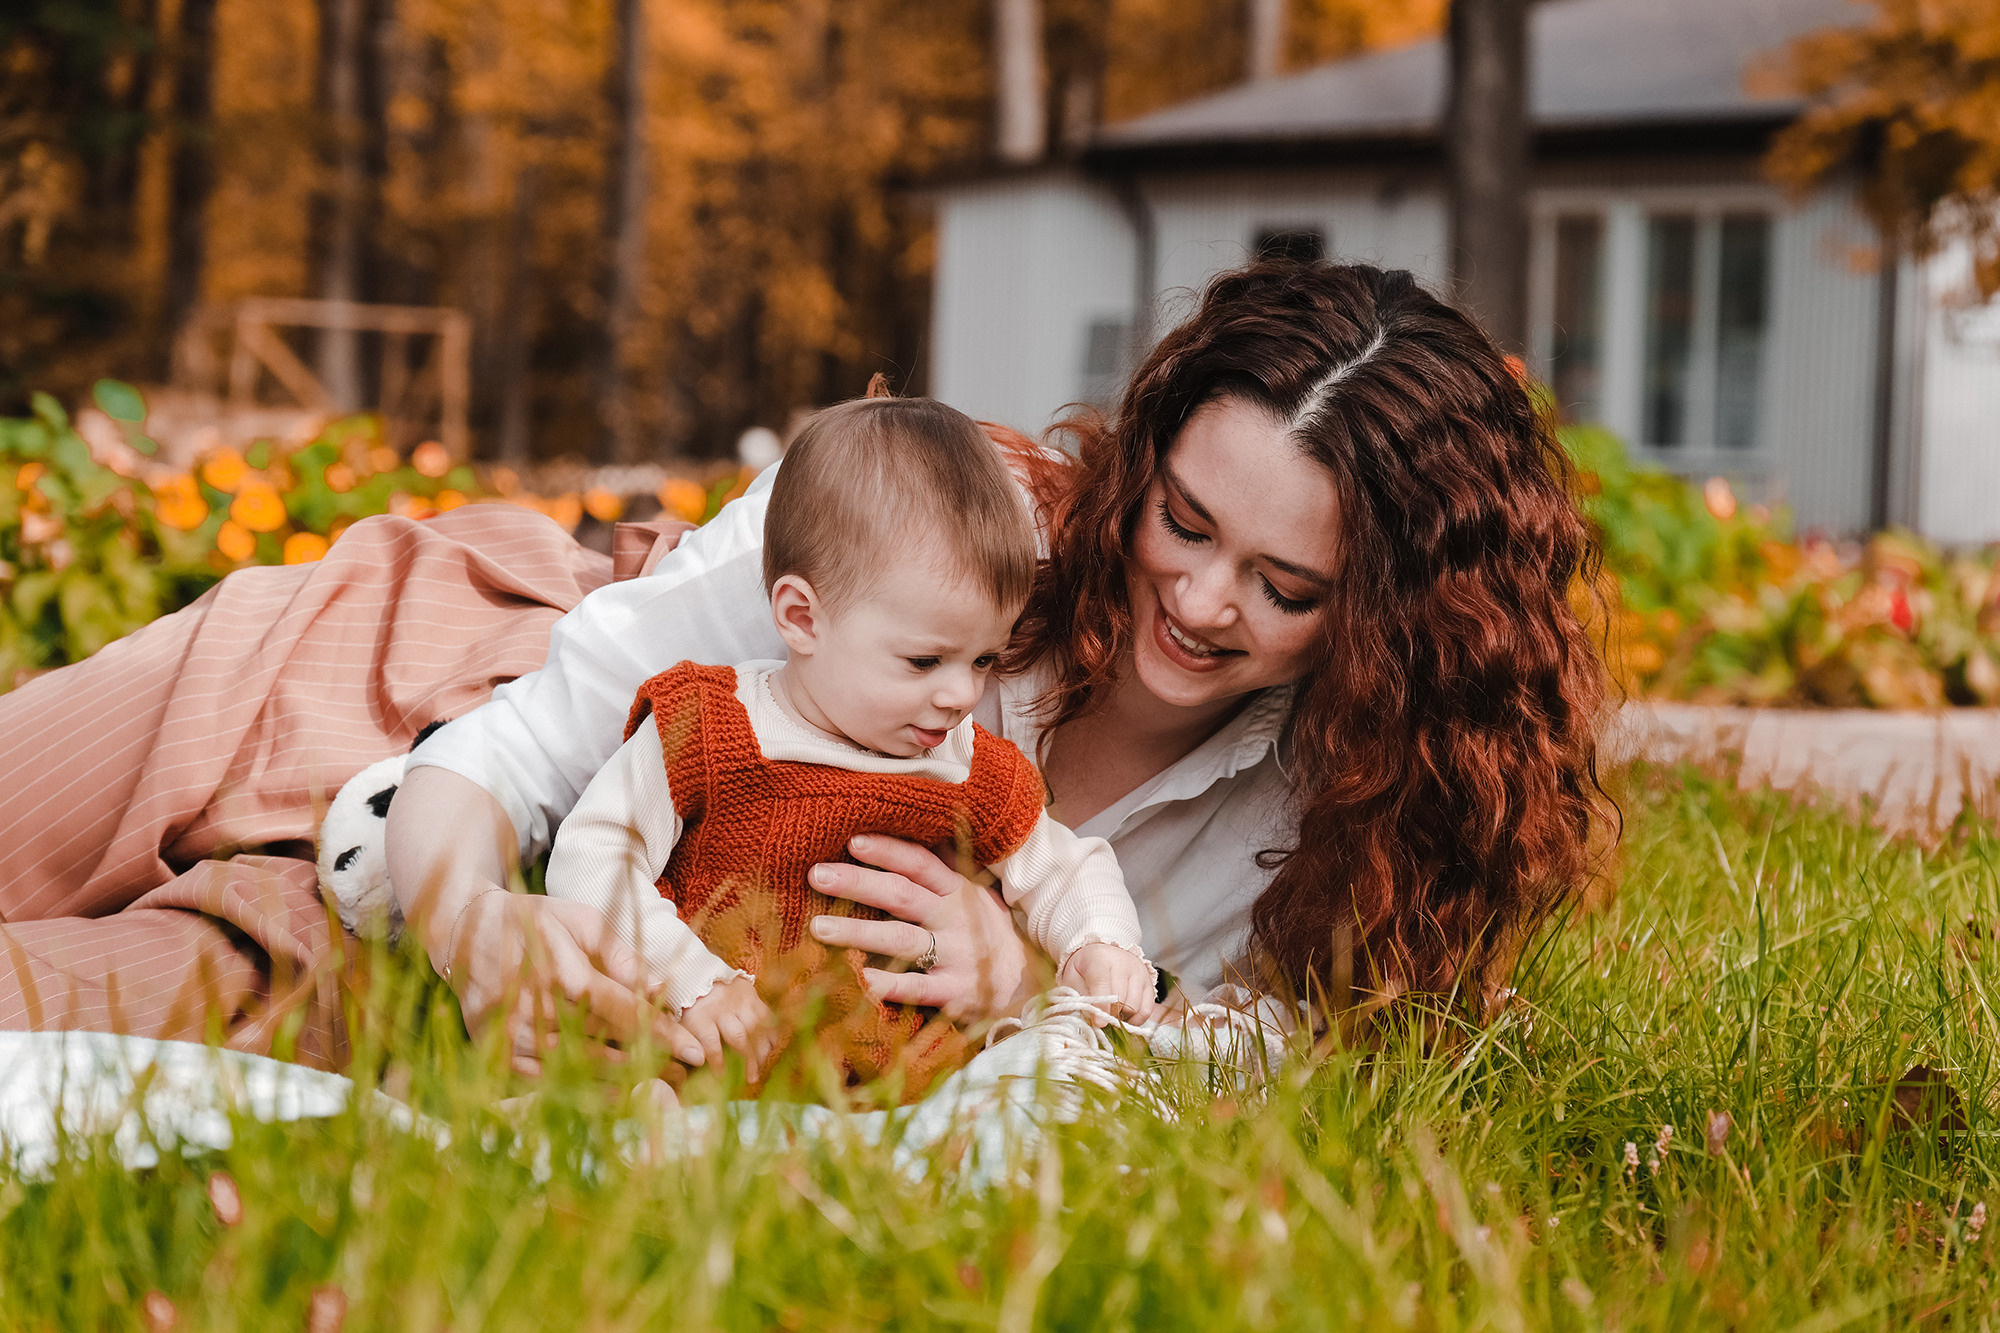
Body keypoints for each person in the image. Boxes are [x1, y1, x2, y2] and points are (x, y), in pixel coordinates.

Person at [0, 259, 1603, 1076]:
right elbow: (538, 737)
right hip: (415, 674)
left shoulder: (1345, 819)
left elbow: (1254, 1046)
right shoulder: (945, 517)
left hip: (477, 926)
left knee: (85, 1012)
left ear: (1390, 621)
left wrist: (1033, 989)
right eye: (1181, 519)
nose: (1196, 597)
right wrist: (476, 912)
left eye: (1288, 585)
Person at [543, 396, 1154, 1096]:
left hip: (895, 1087)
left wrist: (1101, 942)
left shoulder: (965, 764)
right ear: (802, 617)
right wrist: (690, 981)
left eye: (984, 660)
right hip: (709, 1057)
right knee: (628, 1114)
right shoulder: (713, 725)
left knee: (1017, 1108)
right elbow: (597, 850)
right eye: (925, 661)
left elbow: (1065, 867)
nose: (961, 694)